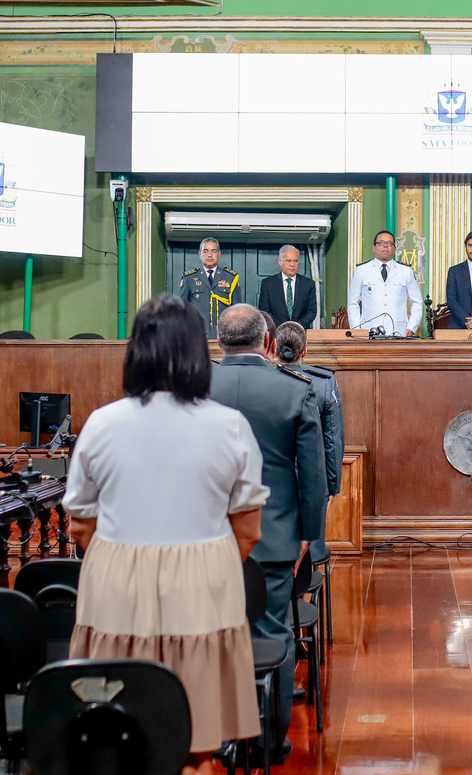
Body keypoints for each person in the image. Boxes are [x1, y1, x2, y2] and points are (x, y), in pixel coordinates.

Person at [65, 294, 265, 774]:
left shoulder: (100, 423)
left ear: (136, 352)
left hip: (114, 590)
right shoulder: (229, 427)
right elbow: (248, 532)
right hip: (203, 592)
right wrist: (197, 567)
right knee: (196, 742)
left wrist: (130, 560)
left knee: (115, 733)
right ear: (200, 353)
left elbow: (80, 525)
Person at [210, 303, 326, 762]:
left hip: (208, 535)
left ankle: (220, 738)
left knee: (215, 634)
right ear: (269, 343)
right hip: (274, 535)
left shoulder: (197, 389)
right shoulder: (294, 391)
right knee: (273, 633)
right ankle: (270, 741)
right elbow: (311, 473)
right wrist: (308, 534)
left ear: (220, 343)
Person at [276, 320, 344, 560]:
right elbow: (332, 440)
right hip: (313, 479)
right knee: (312, 552)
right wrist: (332, 486)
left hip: (272, 479)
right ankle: (310, 595)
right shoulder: (324, 383)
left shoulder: (265, 380)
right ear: (304, 351)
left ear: (274, 347)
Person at [347, 230, 423, 335]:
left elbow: (417, 302)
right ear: (374, 248)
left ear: (395, 249)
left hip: (398, 331)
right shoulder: (362, 270)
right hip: (369, 331)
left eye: (389, 243)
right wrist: (356, 329)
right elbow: (352, 303)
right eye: (381, 243)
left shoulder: (405, 271)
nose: (385, 246)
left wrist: (411, 327)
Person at [179, 237, 241, 339]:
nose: (209, 255)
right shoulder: (189, 278)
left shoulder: (231, 278)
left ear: (219, 254)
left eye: (213, 251)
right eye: (205, 251)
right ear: (200, 254)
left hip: (225, 338)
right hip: (197, 337)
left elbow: (237, 311)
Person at [258, 244, 318, 329]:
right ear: (280, 261)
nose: (292, 264)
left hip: (301, 333)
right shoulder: (268, 284)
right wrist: (283, 327)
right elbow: (264, 312)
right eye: (289, 261)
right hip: (277, 332)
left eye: (295, 261)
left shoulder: (308, 284)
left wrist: (297, 326)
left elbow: (312, 311)